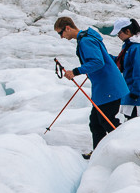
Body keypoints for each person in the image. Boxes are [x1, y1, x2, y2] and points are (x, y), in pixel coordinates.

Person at [54, 16, 128, 156]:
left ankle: (127, 147)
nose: (61, 37)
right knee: (95, 122)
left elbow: (97, 62)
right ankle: (99, 153)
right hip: (105, 87)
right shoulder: (88, 37)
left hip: (108, 87)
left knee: (107, 122)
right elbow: (101, 60)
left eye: (61, 33)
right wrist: (89, 71)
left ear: (67, 28)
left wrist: (76, 72)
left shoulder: (86, 41)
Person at [110, 18, 140, 118]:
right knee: (129, 119)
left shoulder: (137, 48)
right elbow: (124, 62)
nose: (118, 36)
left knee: (135, 120)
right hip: (129, 89)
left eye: (119, 33)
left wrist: (136, 91)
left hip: (136, 94)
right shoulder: (129, 45)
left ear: (127, 31)